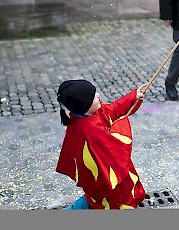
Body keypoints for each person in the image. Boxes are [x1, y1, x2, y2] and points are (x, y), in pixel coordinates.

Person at [55, 79, 148, 210]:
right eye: (93, 96)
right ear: (84, 105)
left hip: (100, 174)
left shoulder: (88, 114)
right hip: (104, 176)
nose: (98, 95)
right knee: (113, 197)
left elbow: (114, 109)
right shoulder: (89, 130)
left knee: (97, 196)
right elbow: (116, 146)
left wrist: (134, 97)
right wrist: (121, 122)